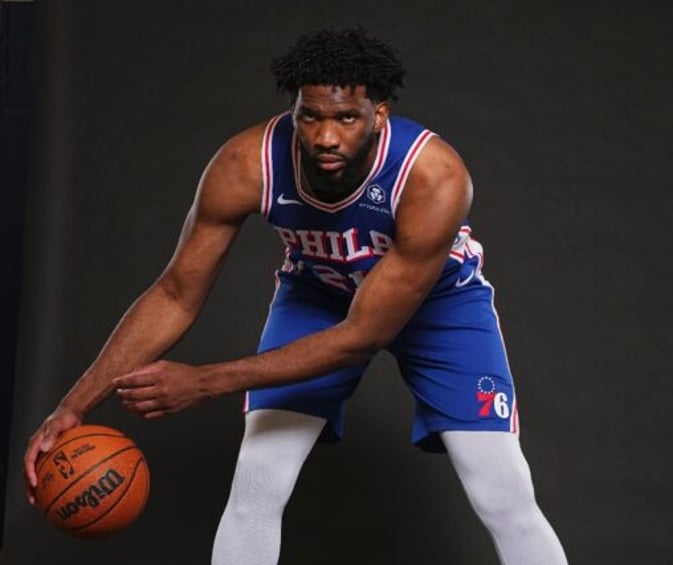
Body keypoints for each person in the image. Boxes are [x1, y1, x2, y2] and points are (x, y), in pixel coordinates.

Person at [23, 27, 569, 564]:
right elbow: (175, 293)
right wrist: (72, 406)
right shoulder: (247, 164)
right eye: (311, 117)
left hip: (440, 308)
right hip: (319, 293)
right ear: (294, 113)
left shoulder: (432, 175)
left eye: (347, 118)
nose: (326, 137)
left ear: (379, 115)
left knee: (502, 491)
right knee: (258, 484)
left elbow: (363, 336)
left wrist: (203, 382)